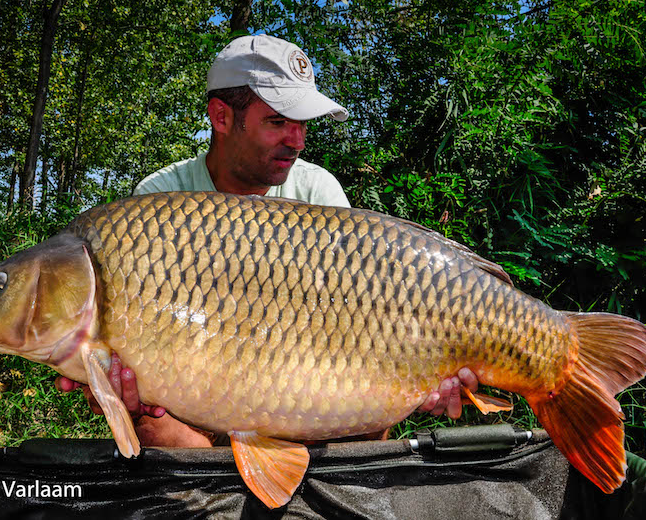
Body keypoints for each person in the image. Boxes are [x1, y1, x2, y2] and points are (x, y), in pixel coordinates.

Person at [57, 34, 479, 448]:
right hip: (197, 403)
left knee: (372, 423)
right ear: (221, 117)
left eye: (301, 125)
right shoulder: (158, 200)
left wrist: (423, 373)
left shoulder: (319, 192)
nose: (296, 142)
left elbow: (365, 322)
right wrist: (110, 382)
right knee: (152, 428)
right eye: (278, 122)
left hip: (304, 390)